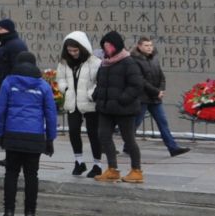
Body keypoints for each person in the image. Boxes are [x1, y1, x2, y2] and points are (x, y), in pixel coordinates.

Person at [0, 49, 58, 216]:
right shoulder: (43, 85)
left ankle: (8, 213)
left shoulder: (9, 82)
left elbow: (1, 110)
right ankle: (30, 215)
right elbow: (50, 113)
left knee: (11, 173)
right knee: (32, 176)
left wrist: (0, 133)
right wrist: (50, 139)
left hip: (13, 134)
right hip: (34, 135)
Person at [91, 31, 147, 185]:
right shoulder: (104, 63)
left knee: (129, 139)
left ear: (116, 46)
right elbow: (101, 82)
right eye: (104, 46)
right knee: (103, 136)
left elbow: (136, 85)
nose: (106, 49)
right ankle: (112, 169)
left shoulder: (128, 62)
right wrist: (97, 95)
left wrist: (123, 99)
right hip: (106, 108)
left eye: (108, 46)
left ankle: (136, 170)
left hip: (124, 109)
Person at [132, 37, 191, 158]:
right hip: (142, 98)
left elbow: (161, 76)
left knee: (163, 123)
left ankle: (173, 148)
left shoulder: (154, 58)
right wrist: (156, 92)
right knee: (135, 123)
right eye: (146, 45)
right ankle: (128, 145)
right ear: (139, 46)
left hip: (155, 99)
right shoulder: (134, 60)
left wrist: (161, 90)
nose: (149, 47)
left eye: (150, 45)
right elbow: (140, 80)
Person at [55, 31, 103, 178]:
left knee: (93, 134)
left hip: (90, 103)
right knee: (73, 131)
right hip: (72, 102)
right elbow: (60, 78)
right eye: (70, 51)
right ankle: (79, 161)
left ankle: (97, 164)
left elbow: (99, 81)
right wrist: (65, 89)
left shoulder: (95, 62)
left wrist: (91, 93)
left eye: (75, 50)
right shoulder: (64, 62)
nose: (73, 53)